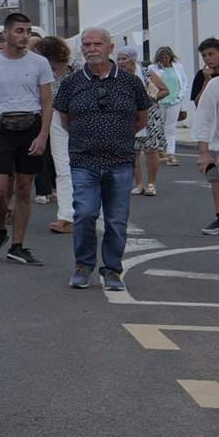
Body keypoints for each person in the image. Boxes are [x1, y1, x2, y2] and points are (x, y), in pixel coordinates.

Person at [57, 29, 151, 290]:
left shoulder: (131, 82)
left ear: (110, 48)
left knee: (116, 219)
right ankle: (83, 266)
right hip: (83, 160)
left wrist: (119, 135)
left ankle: (112, 270)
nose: (92, 48)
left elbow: (142, 118)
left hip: (120, 160)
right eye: (87, 44)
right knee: (84, 214)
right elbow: (66, 120)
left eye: (98, 44)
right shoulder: (71, 82)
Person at [0, 12, 58, 266]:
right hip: (1, 126)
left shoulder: (39, 63)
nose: (24, 36)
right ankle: (1, 230)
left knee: (24, 189)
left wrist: (43, 135)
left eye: (27, 31)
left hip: (30, 126)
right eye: (19, 31)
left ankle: (18, 245)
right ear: (6, 33)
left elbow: (46, 101)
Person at [34, 36, 77, 234]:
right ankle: (66, 216)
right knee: (62, 167)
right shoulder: (42, 73)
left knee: (87, 168)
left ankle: (86, 212)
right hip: (56, 118)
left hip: (80, 119)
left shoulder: (78, 70)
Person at [138, 48, 178, 196]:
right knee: (133, 151)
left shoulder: (147, 72)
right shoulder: (151, 68)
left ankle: (169, 155)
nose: (164, 58)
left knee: (165, 134)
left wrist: (151, 99)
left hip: (162, 105)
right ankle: (139, 184)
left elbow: (170, 88)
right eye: (162, 56)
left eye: (167, 56)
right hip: (131, 115)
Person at [192, 37, 219, 236]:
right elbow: (203, 114)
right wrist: (204, 151)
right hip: (217, 143)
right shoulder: (213, 83)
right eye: (204, 55)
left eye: (211, 54)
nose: (208, 59)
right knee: (216, 180)